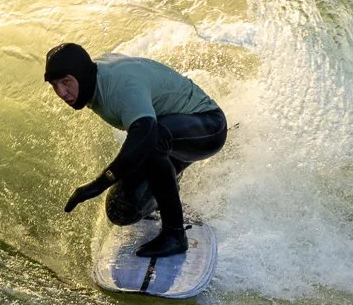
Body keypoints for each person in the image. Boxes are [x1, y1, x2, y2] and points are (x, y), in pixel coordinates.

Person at [44, 42, 226, 258]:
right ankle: (167, 187)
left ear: (82, 76)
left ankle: (175, 235)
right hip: (171, 133)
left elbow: (145, 134)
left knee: (152, 141)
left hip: (207, 126)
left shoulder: (119, 88)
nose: (61, 92)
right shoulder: (94, 77)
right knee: (121, 209)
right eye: (55, 85)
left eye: (66, 82)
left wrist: (99, 183)